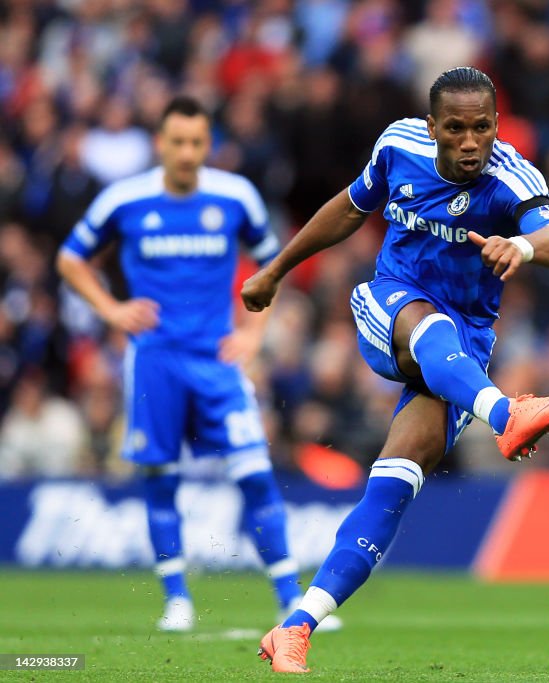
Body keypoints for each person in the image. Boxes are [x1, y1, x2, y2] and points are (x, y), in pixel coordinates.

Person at [243, 67, 549, 673]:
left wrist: (525, 246)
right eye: (455, 128)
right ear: (433, 128)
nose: (470, 141)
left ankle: (295, 628)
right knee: (431, 326)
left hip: (464, 358)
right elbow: (349, 210)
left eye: (482, 127)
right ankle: (507, 414)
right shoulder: (398, 145)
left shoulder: (511, 177)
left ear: (496, 125)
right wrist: (275, 269)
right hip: (390, 306)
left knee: (395, 484)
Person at [56, 96, 340, 633]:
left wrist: (253, 332)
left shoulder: (235, 197)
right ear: (160, 144)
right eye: (177, 142)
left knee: (256, 476)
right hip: (155, 361)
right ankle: (177, 601)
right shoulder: (125, 199)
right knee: (161, 482)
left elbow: (272, 262)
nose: (186, 153)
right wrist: (112, 309)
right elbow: (70, 257)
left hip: (218, 361)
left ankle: (290, 602)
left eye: (196, 143)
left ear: (207, 146)